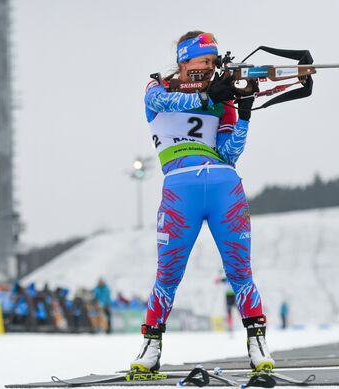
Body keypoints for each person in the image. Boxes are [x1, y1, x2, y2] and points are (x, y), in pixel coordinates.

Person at [131, 31, 274, 373]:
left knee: (240, 272)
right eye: (203, 61)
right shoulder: (157, 89)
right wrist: (211, 93)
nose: (209, 68)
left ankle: (257, 341)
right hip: (181, 192)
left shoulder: (219, 98)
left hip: (225, 187)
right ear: (183, 61)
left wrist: (244, 114)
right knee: (168, 274)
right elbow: (171, 104)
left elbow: (229, 153)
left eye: (213, 62)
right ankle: (151, 345)